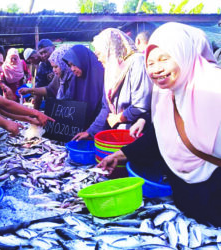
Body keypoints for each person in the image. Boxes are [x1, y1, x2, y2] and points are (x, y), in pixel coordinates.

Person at [97, 22, 221, 226]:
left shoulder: (214, 89)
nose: (156, 69)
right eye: (151, 62)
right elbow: (161, 136)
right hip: (188, 204)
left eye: (164, 59)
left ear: (184, 54)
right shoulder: (166, 94)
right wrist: (121, 154)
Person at [73, 28, 152, 141]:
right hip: (119, 134)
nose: (98, 58)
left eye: (100, 53)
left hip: (137, 134)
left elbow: (141, 105)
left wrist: (119, 118)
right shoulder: (112, 71)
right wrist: (90, 132)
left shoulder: (137, 62)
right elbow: (106, 107)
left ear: (111, 49)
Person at [62, 44, 105, 129]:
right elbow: (67, 100)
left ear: (83, 61)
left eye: (74, 64)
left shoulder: (101, 77)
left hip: (98, 130)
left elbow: (104, 108)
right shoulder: (75, 80)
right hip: (78, 130)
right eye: (70, 65)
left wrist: (90, 131)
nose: (72, 69)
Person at [33, 39, 55, 109]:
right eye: (41, 53)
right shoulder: (42, 67)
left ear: (53, 48)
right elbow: (38, 92)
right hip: (52, 104)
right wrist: (35, 113)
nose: (43, 55)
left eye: (45, 52)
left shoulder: (64, 62)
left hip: (70, 102)